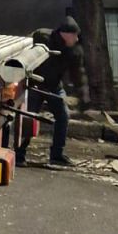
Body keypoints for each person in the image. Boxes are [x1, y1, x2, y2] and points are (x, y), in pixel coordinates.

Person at [16, 11, 89, 169]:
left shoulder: (74, 50)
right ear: (65, 34)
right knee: (29, 118)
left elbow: (79, 74)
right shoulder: (42, 37)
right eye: (74, 36)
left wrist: (84, 97)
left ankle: (57, 155)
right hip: (34, 84)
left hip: (55, 86)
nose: (76, 39)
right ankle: (19, 153)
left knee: (63, 116)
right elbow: (22, 49)